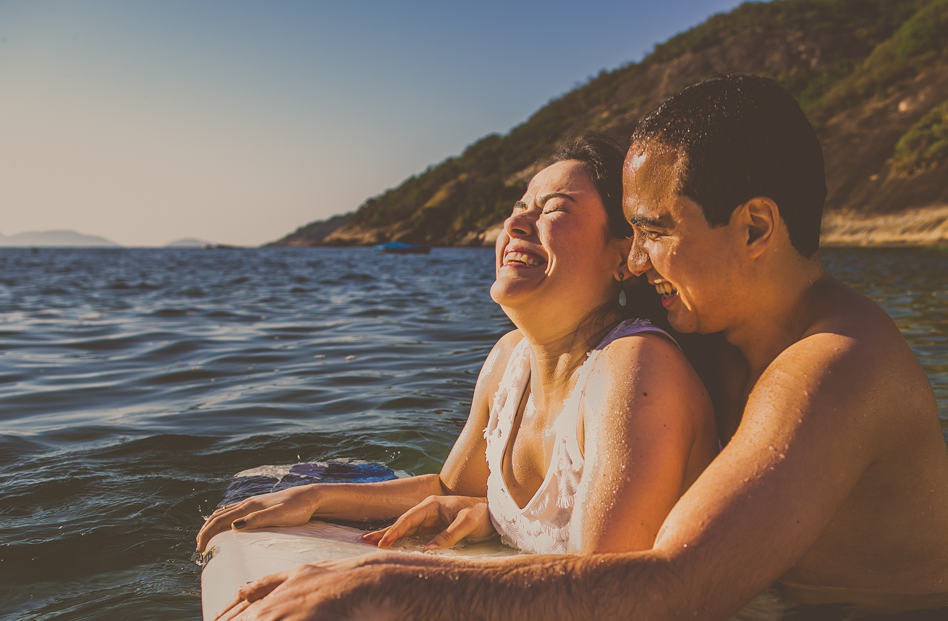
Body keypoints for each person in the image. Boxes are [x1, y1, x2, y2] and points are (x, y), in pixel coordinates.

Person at [199, 74, 948, 621]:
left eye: (655, 231)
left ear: (754, 228)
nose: (636, 261)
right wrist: (488, 509)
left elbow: (666, 601)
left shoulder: (833, 369)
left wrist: (382, 592)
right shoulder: (726, 342)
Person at [197, 133, 718, 559]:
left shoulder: (636, 369)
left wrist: (377, 589)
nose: (515, 223)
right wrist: (316, 498)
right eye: (519, 207)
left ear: (624, 256)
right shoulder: (508, 360)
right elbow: (451, 489)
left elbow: (601, 589)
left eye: (554, 209)